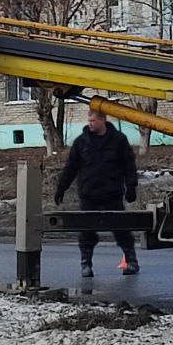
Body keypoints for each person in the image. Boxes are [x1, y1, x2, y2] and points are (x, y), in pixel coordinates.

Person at [55, 109, 139, 277]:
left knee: (121, 229)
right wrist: (61, 187)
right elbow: (71, 167)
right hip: (89, 194)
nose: (90, 123)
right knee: (86, 231)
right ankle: (86, 264)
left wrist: (131, 187)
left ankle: (131, 261)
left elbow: (129, 166)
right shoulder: (81, 142)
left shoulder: (118, 140)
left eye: (93, 120)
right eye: (89, 120)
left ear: (102, 120)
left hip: (112, 193)